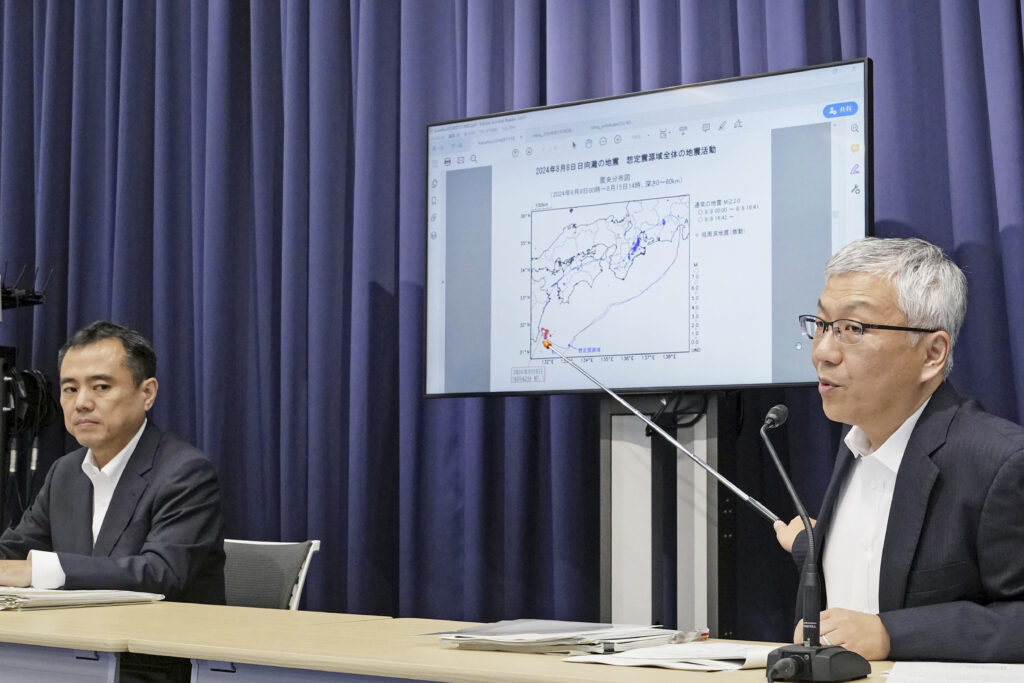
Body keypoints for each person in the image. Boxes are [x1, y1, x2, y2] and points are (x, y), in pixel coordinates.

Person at [773, 237, 1024, 663]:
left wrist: (892, 635)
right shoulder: (855, 444)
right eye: (820, 324)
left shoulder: (1000, 461)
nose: (822, 352)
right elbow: (886, 561)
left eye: (853, 329)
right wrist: (814, 548)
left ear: (932, 353)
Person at [0, 320, 225, 681]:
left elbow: (162, 574)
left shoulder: (185, 471)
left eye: (101, 386)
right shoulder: (65, 472)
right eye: (70, 389)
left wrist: (38, 570)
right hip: (67, 655)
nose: (82, 402)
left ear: (147, 393)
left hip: (150, 665)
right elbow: (14, 551)